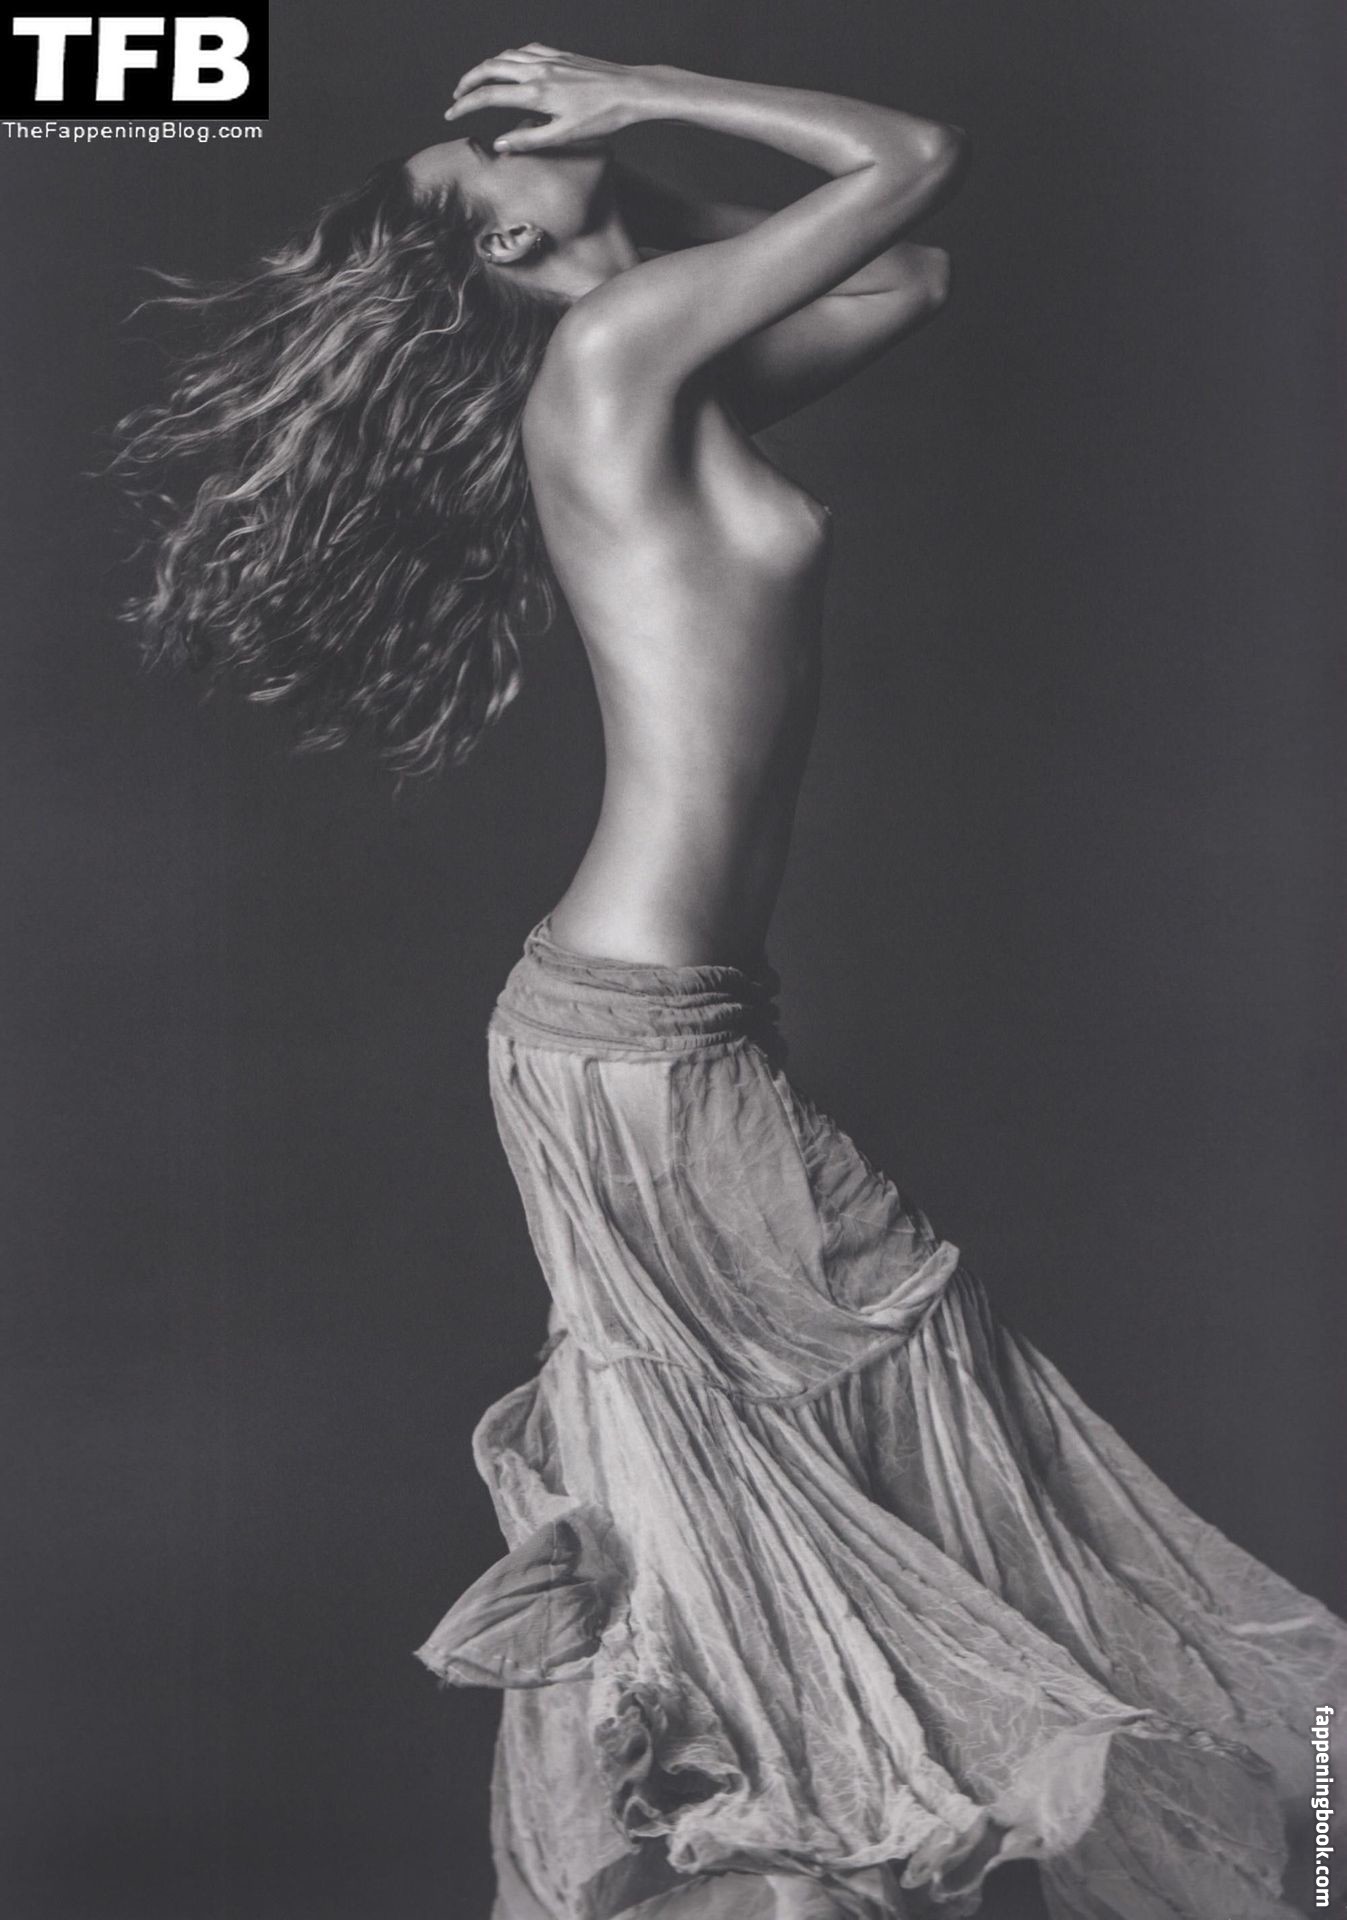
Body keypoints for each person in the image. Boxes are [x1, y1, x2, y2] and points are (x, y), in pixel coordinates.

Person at [113, 47, 1345, 1920]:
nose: (527, 131)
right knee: (833, 1481)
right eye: (495, 150)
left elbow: (909, 269)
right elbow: (917, 157)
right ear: (505, 236)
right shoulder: (614, 357)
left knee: (800, 1511)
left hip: (654, 1029)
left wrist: (623, 198)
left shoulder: (642, 354)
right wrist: (635, 91)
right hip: (637, 1046)